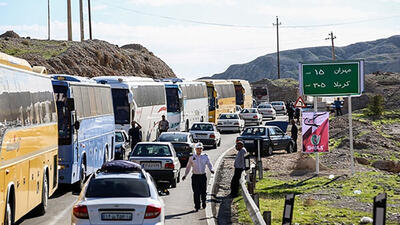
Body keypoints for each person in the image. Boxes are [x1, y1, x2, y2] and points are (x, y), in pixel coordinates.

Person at [182, 143, 214, 211]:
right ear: (195, 149)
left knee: (203, 191)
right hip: (195, 177)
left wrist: (211, 170)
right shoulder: (192, 157)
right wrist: (185, 175)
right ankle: (197, 206)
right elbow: (188, 167)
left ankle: (203, 202)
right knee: (196, 192)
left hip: (202, 176)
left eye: (200, 149)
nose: (199, 150)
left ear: (202, 149)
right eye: (197, 149)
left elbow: (209, 164)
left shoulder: (205, 157)